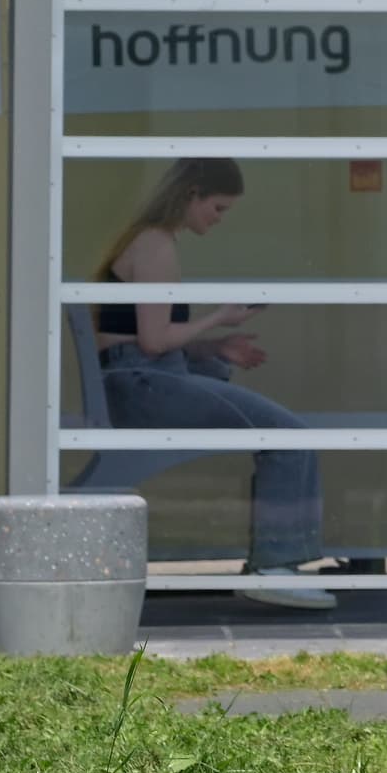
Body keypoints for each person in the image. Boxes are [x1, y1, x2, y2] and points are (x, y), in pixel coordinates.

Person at [91, 158, 336, 610]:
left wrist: (218, 347)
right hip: (146, 385)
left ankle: (275, 563)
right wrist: (220, 316)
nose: (218, 220)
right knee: (291, 437)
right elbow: (153, 340)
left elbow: (143, 339)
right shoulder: (156, 246)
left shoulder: (144, 240)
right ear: (192, 195)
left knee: (279, 430)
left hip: (139, 378)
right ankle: (274, 568)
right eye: (218, 208)